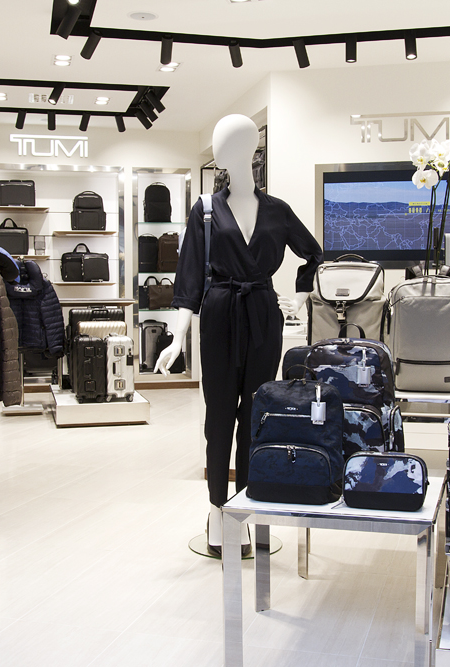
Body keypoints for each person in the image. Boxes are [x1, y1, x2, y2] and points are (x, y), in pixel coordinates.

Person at [155, 114, 323, 556]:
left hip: (263, 313)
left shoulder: (277, 210)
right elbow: (189, 275)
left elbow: (312, 254)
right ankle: (217, 508)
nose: (220, 151)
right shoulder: (206, 209)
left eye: (230, 143)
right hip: (219, 314)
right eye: (218, 144)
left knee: (257, 414)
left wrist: (299, 297)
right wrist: (177, 337)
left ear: (251, 150)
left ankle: (250, 504)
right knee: (219, 416)